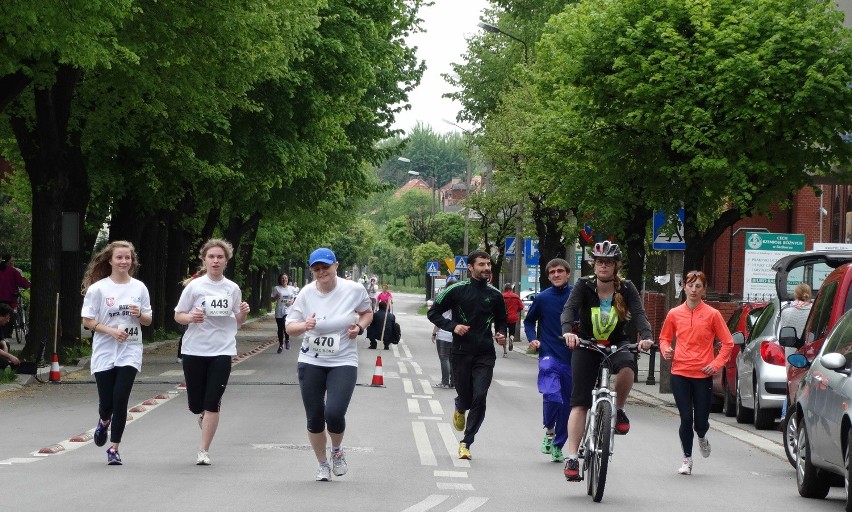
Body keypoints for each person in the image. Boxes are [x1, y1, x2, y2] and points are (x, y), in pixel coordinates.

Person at [560, 241, 653, 481]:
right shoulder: (583, 285)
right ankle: (571, 458)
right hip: (587, 343)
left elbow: (640, 315)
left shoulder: (627, 288)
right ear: (594, 264)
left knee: (628, 366)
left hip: (617, 342)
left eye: (609, 262)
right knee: (579, 402)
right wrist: (568, 331)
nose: (603, 266)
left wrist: (647, 337)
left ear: (616, 266)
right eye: (600, 262)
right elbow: (569, 310)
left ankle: (619, 410)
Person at [285, 247, 373, 481]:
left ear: (336, 265)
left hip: (343, 360)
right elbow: (289, 327)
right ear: (312, 270)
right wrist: (305, 325)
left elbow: (367, 313)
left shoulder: (354, 290)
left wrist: (360, 327)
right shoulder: (306, 293)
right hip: (311, 361)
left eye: (326, 267)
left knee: (334, 413)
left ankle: (336, 450)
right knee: (314, 417)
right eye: (317, 269)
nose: (322, 272)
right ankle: (322, 463)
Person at [174, 238, 250, 466]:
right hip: (195, 349)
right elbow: (178, 314)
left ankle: (203, 450)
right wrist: (191, 318)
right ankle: (202, 415)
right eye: (211, 257)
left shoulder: (232, 288)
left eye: (220, 257)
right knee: (196, 404)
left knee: (212, 401)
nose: (216, 261)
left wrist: (244, 312)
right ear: (204, 260)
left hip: (222, 350)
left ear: (226, 261)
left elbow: (236, 322)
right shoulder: (194, 287)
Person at [427, 250, 507, 460]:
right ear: (470, 267)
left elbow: (502, 320)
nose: (486, 268)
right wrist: (453, 326)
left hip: (485, 354)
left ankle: (466, 442)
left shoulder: (495, 295)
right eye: (481, 264)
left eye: (488, 264)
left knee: (480, 397)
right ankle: (460, 406)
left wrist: (501, 333)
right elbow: (433, 312)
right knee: (467, 396)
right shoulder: (456, 290)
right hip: (461, 352)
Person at [80, 241, 153, 466]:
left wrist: (139, 314)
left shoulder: (139, 288)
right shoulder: (98, 288)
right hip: (104, 351)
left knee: (121, 400)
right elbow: (87, 321)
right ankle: (103, 421)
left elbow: (148, 320)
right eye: (119, 258)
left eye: (127, 258)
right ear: (110, 260)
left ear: (132, 261)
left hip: (130, 350)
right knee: (107, 403)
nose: (123, 262)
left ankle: (114, 448)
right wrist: (110, 331)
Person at [659, 270, 733, 475]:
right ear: (684, 287)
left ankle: (702, 436)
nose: (693, 289)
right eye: (690, 285)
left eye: (698, 286)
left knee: (700, 421)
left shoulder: (713, 314)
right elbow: (664, 338)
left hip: (702, 374)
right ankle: (687, 459)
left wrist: (716, 364)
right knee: (685, 418)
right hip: (680, 372)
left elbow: (727, 343)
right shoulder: (674, 314)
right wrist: (666, 350)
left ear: (704, 290)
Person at [523, 258, 573, 463]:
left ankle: (558, 445)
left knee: (567, 405)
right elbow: (528, 321)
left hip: (573, 357)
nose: (556, 275)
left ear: (568, 274)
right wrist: (532, 338)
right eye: (551, 272)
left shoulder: (577, 296)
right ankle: (550, 430)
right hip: (549, 354)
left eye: (560, 271)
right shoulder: (542, 298)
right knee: (552, 395)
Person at [779, 283, 813, 419]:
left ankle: (785, 415)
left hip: (791, 352)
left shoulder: (786, 312)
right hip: (809, 350)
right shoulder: (813, 311)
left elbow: (783, 333)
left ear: (795, 294)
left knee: (791, 384)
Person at [431, 275, 459, 389]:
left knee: (444, 358)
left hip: (443, 334)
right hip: (456, 334)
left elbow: (439, 319)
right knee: (453, 359)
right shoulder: (460, 300)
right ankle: (453, 382)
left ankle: (445, 382)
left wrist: (434, 333)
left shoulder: (443, 299)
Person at [0, 255, 30, 342]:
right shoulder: (13, 271)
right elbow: (22, 282)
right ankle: (5, 338)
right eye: (12, 261)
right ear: (9, 262)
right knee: (8, 317)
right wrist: (29, 284)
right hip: (9, 298)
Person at [272, 273, 297, 353]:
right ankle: (281, 344)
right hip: (279, 310)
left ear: (287, 279)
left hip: (288, 310)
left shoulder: (291, 288)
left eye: (285, 278)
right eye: (282, 278)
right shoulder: (277, 288)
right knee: (280, 328)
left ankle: (287, 340)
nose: (284, 280)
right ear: (280, 280)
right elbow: (272, 300)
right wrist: (276, 297)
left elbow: (294, 298)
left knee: (285, 325)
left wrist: (291, 302)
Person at [502, 283, 524, 356]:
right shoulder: (516, 296)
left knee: (503, 334)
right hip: (513, 317)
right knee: (512, 332)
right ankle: (511, 339)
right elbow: (521, 307)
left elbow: (497, 307)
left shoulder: (502, 296)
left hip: (503, 317)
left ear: (504, 289)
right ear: (511, 289)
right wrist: (515, 310)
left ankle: (505, 351)